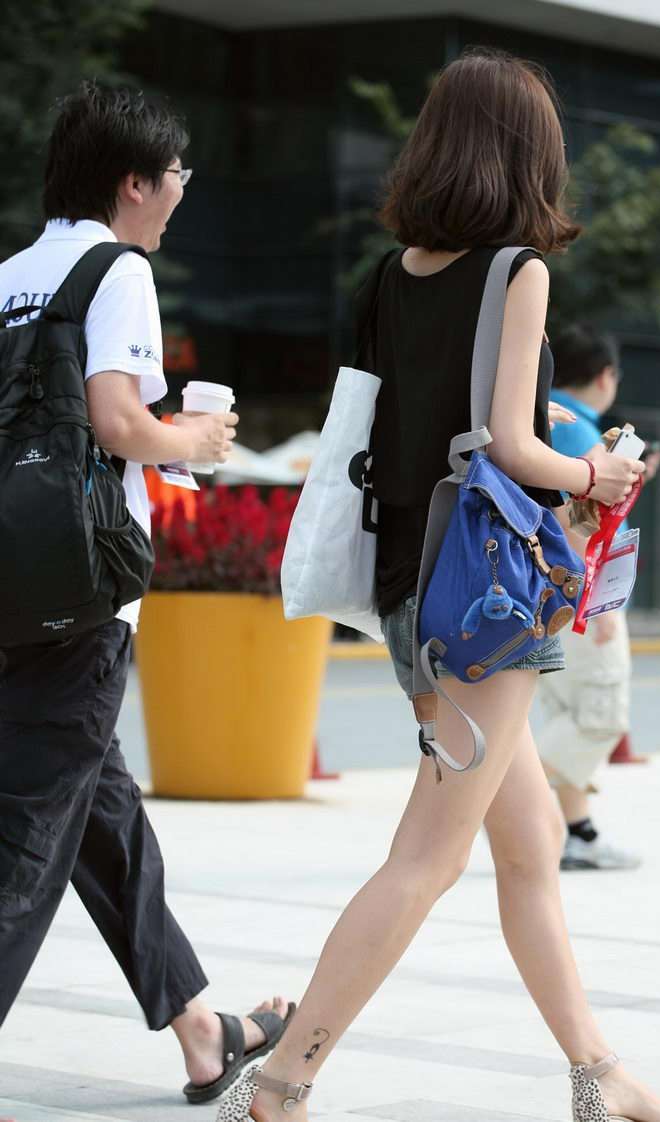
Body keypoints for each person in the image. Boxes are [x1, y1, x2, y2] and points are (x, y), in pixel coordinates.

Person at [216, 50, 660, 1122]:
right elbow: (512, 445)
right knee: (425, 860)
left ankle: (598, 1074)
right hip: (485, 601)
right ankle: (281, 1084)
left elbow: (412, 434)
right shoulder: (518, 271)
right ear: (527, 155)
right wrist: (594, 475)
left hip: (412, 590)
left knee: (529, 849)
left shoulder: (392, 276)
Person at [0, 83, 292, 1104]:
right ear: (132, 183)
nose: (179, 192)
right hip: (78, 595)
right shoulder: (117, 270)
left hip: (10, 585)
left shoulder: (9, 277)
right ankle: (204, 1032)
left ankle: (203, 1033)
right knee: (26, 841)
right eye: (175, 174)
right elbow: (119, 421)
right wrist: (196, 438)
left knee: (101, 817)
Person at [539, 324, 658, 871]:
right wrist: (598, 602)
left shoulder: (543, 420)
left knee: (568, 710)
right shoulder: (580, 432)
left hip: (548, 595)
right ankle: (507, 797)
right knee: (599, 717)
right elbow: (579, 524)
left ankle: (576, 833)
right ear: (606, 376)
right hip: (582, 597)